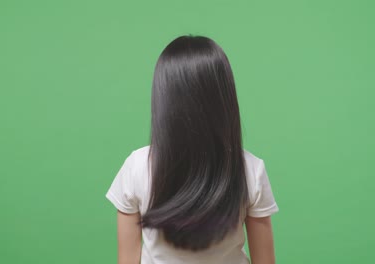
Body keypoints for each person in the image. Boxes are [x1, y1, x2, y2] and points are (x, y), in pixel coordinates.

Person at [105, 35, 279, 264]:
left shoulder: (136, 167)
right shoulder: (250, 169)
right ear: (224, 97)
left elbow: (127, 260)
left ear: (164, 97)